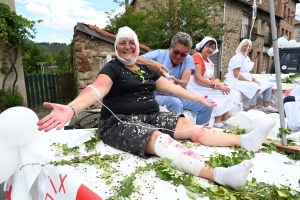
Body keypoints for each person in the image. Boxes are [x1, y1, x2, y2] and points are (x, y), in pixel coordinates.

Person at [37, 27, 276, 191]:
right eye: (123, 43)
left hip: (150, 115)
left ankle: (244, 141)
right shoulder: (111, 68)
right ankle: (219, 175)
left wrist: (199, 99)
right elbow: (96, 90)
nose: (128, 47)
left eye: (132, 43)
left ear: (138, 46)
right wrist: (71, 109)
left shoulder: (145, 69)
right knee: (159, 139)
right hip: (119, 122)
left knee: (188, 126)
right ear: (116, 46)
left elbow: (171, 88)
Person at [137, 32, 213, 126]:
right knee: (175, 102)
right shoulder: (159, 54)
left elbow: (184, 83)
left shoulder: (188, 59)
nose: (178, 56)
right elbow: (135, 59)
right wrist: (152, 64)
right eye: (176, 52)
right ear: (171, 47)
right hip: (157, 94)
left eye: (183, 54)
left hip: (178, 93)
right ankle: (177, 134)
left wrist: (176, 81)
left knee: (207, 103)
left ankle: (201, 132)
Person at [186, 37, 234, 129]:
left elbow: (212, 78)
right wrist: (218, 86)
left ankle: (224, 119)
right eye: (208, 46)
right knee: (223, 92)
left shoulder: (209, 61)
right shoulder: (197, 56)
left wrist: (217, 81)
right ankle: (218, 121)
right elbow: (198, 79)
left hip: (205, 85)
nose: (210, 49)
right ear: (202, 46)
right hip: (195, 86)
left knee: (228, 91)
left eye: (213, 47)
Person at [225, 39, 278, 112]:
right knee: (254, 87)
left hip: (246, 79)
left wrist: (255, 80)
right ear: (241, 47)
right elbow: (236, 74)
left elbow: (247, 73)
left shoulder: (247, 58)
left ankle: (266, 105)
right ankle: (251, 108)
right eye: (245, 46)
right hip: (236, 81)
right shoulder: (237, 58)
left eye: (249, 46)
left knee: (268, 84)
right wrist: (250, 81)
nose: (247, 48)